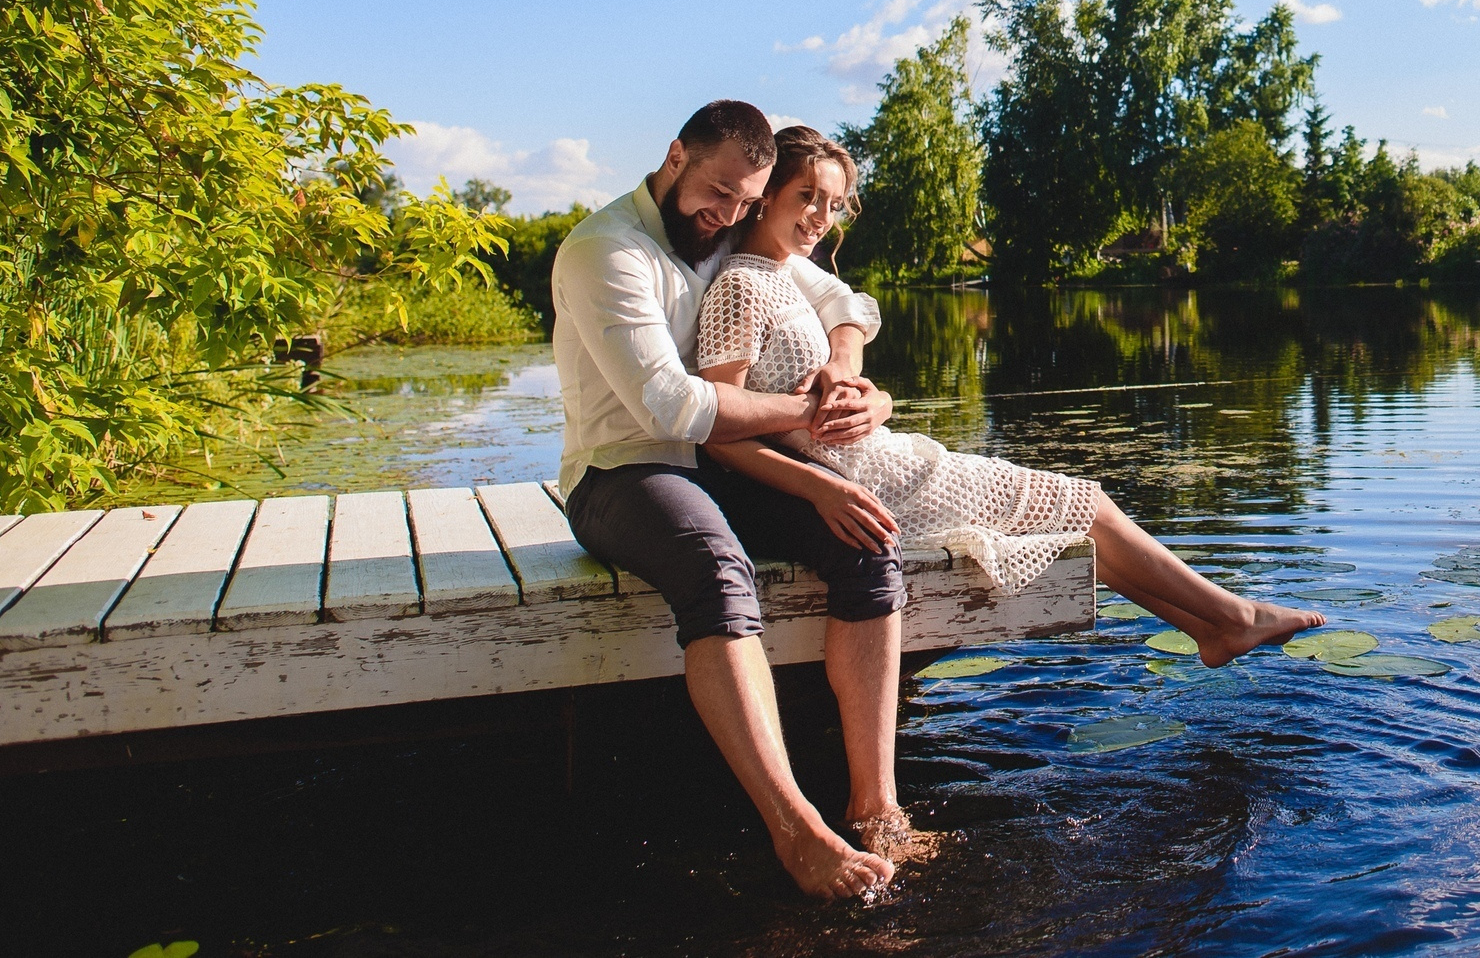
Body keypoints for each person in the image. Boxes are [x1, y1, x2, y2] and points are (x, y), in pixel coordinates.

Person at [695, 127, 1329, 848]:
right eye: (806, 196)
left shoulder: (785, 276)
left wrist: (866, 392)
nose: (819, 216)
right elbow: (722, 426)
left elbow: (845, 330)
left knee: (1080, 507)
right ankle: (1224, 619)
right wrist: (816, 489)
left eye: (833, 204)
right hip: (870, 481)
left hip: (886, 463)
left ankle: (1217, 623)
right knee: (1084, 503)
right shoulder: (742, 285)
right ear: (767, 193)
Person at [550, 99, 902, 900]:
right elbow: (673, 408)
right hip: (625, 471)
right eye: (719, 193)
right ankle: (798, 832)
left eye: (748, 202)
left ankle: (876, 803)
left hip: (726, 466)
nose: (731, 215)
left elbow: (845, 301)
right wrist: (814, 413)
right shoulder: (607, 250)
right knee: (718, 566)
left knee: (867, 541)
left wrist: (856, 387)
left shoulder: (719, 233)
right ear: (675, 155)